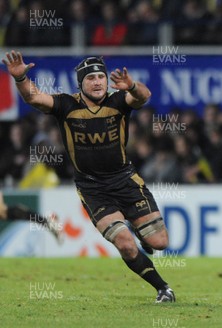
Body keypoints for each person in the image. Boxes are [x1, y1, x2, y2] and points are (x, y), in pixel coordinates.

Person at [2, 51, 175, 303]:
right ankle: (163, 288)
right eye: (91, 78)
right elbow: (34, 98)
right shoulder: (66, 105)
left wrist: (133, 86)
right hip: (93, 189)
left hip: (126, 180)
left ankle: (142, 234)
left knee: (159, 242)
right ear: (80, 83)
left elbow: (144, 96)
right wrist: (21, 79)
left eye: (101, 77)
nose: (97, 82)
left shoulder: (118, 102)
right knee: (125, 244)